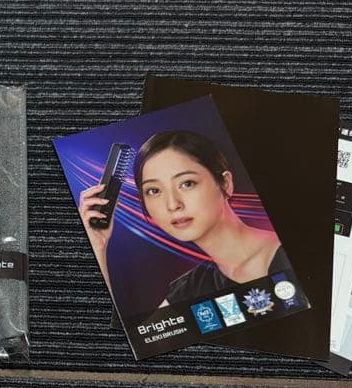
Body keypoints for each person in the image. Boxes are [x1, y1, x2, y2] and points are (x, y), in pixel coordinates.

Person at [78, 129, 288, 307]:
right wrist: (97, 246)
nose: (172, 204)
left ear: (225, 184)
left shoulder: (285, 255)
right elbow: (135, 339)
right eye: (154, 190)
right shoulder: (189, 289)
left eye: (187, 183)